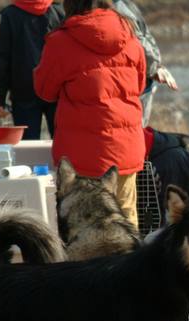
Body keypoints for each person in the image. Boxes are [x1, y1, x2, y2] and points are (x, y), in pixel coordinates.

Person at [34, 0, 146, 227]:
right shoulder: (130, 35)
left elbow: (44, 91)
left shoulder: (60, 42)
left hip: (81, 158)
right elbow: (140, 85)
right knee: (126, 222)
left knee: (83, 226)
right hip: (125, 149)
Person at [0, 0, 64, 140]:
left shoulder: (10, 15)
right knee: (63, 146)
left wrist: (0, 98)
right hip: (56, 89)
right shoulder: (58, 12)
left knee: (28, 148)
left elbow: (3, 58)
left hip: (23, 91)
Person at [111, 0, 177, 126]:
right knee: (135, 130)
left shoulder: (123, 5)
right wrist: (155, 68)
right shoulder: (120, 7)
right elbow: (140, 40)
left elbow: (144, 36)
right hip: (134, 86)